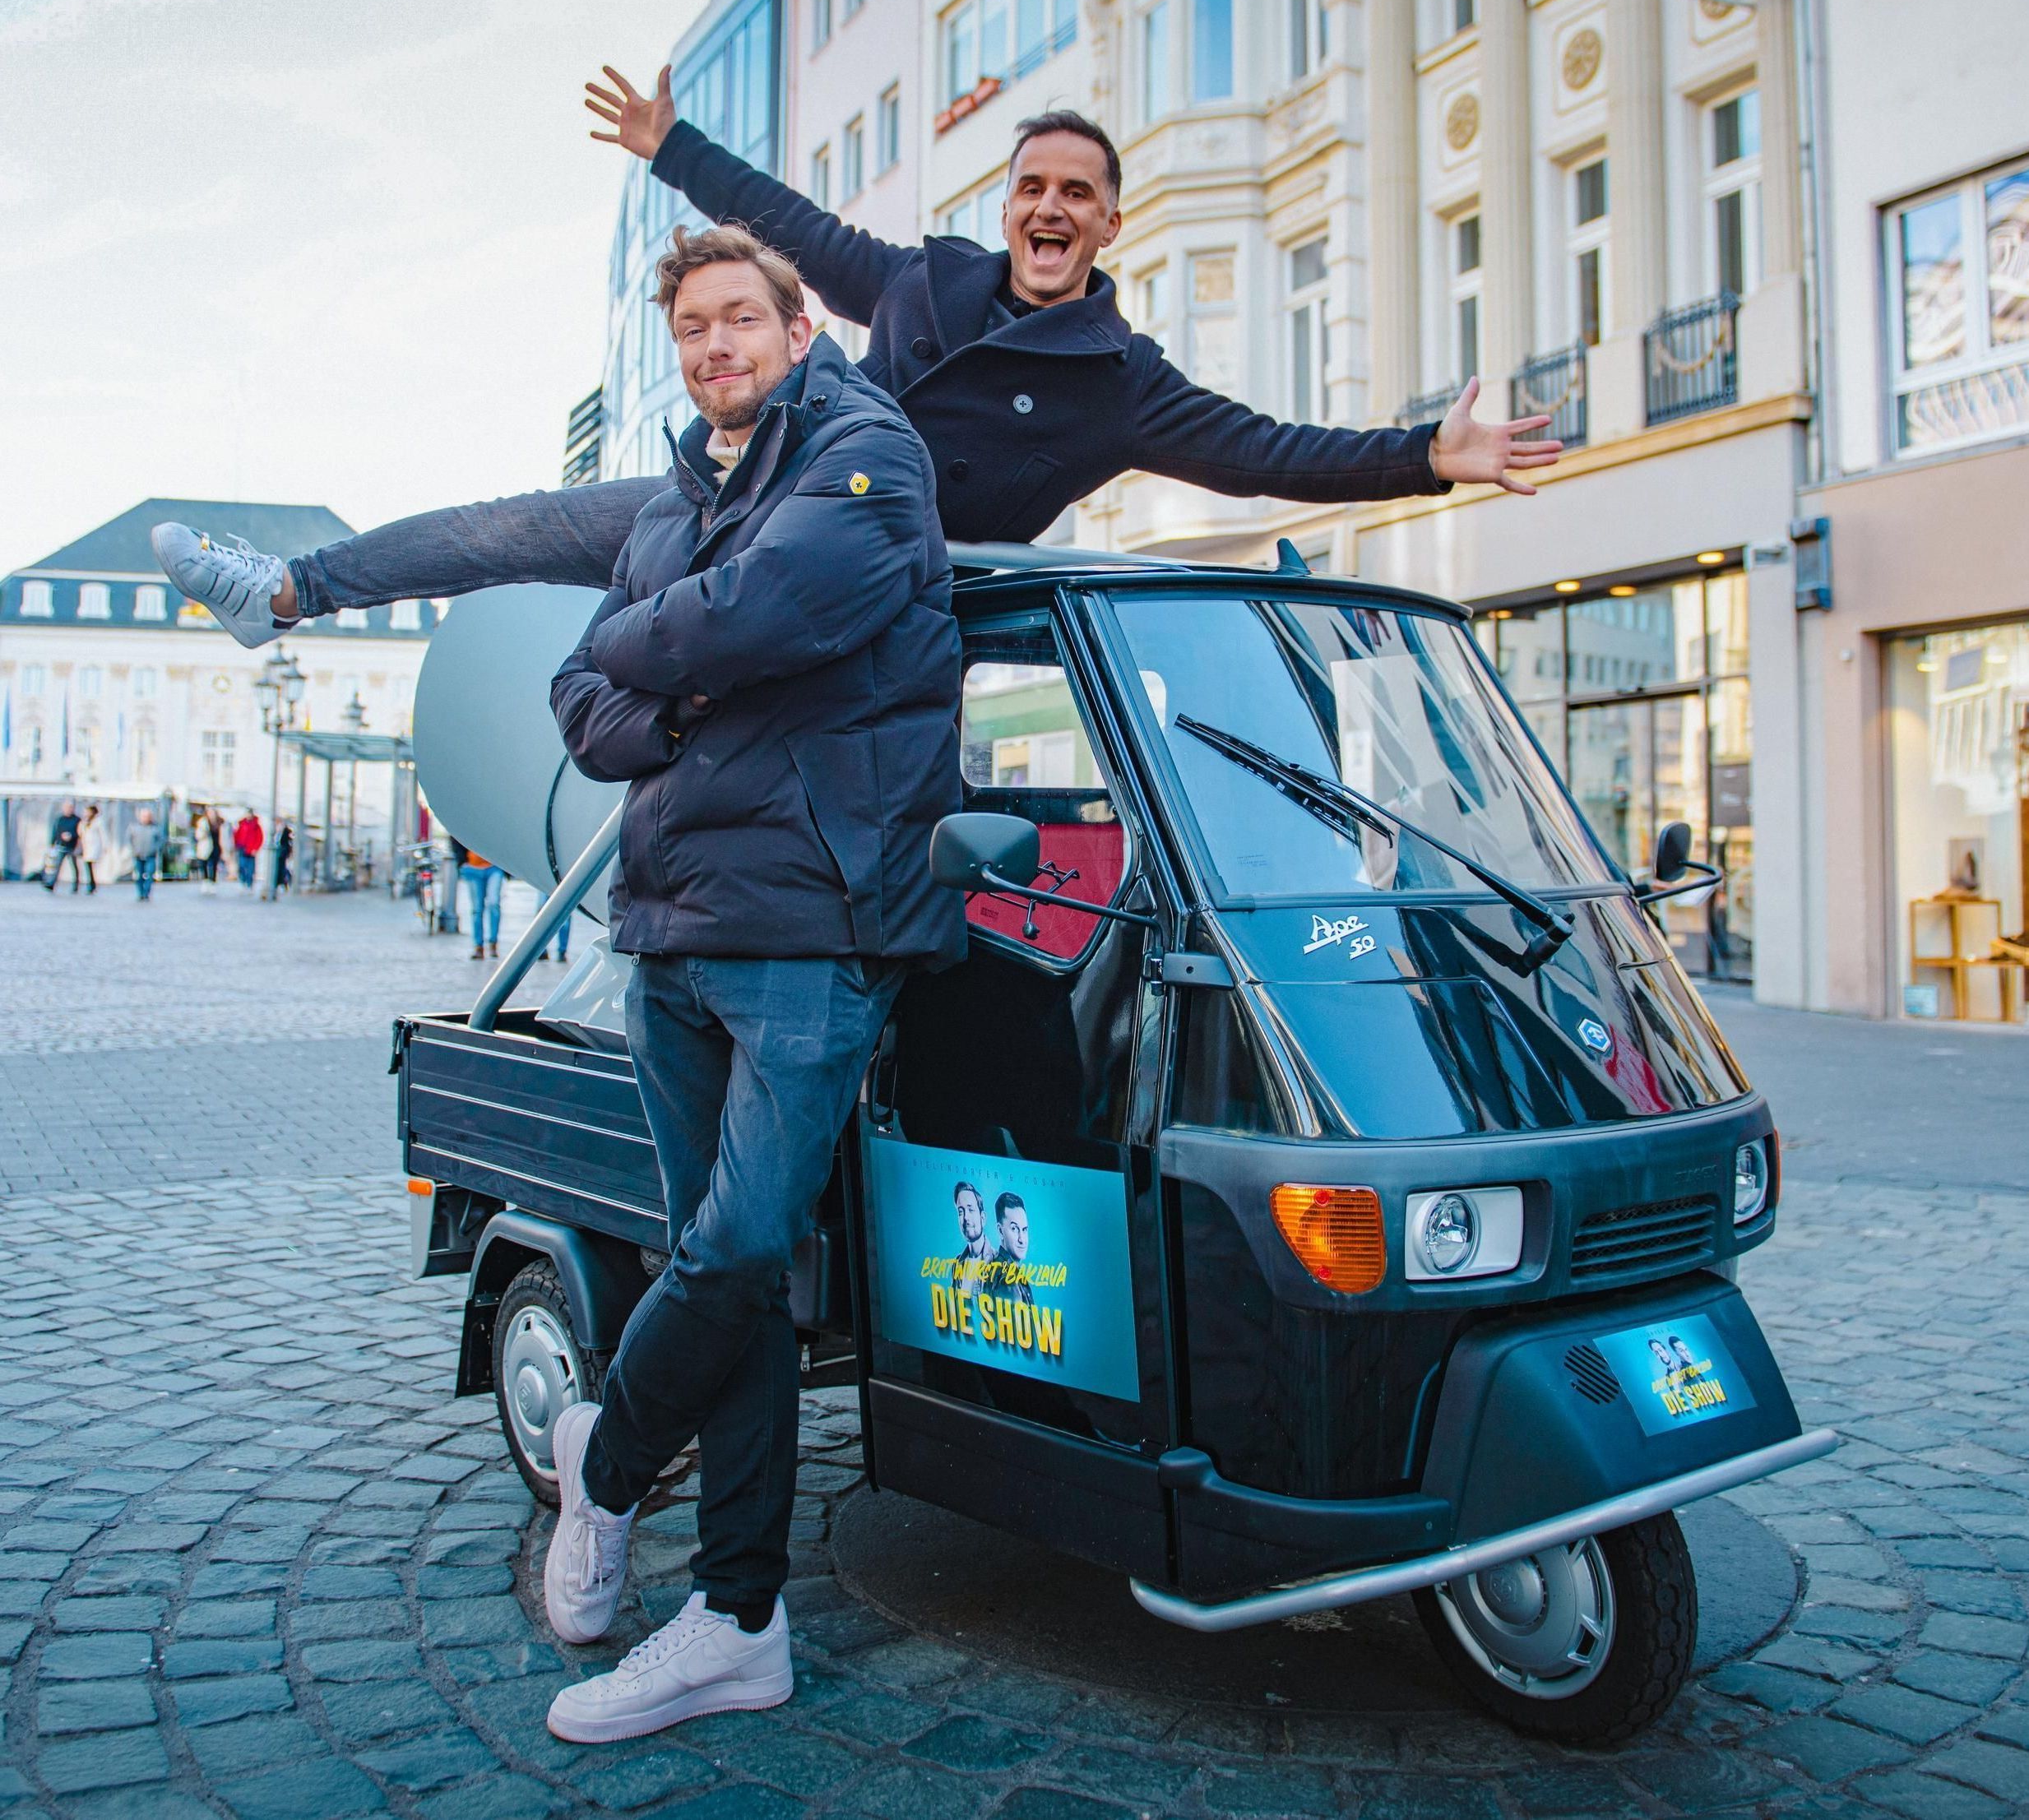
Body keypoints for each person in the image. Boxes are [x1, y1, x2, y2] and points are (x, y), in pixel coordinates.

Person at [150, 94, 1558, 646]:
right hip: (752, 501)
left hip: (890, 597)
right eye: (1032, 186)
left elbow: (1272, 453)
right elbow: (798, 230)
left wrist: (1429, 451)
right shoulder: (927, 283)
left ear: (1112, 221)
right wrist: (671, 148)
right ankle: (284, 589)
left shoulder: (1118, 380)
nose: (1051, 207)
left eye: (1079, 190)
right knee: (525, 524)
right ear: (1010, 204)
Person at [535, 220, 962, 1746]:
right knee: (739, 1290)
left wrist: (673, 658)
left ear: (795, 329)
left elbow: (772, 611)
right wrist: (680, 690)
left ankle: (601, 1455)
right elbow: (580, 702)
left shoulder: (866, 452)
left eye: (740, 321)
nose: (715, 348)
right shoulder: (673, 501)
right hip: (670, 927)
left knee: (738, 1245)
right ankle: (738, 1620)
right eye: (692, 331)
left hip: (814, 930)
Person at [991, 1192, 1035, 1310]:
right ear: (1001, 1231)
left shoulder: (1007, 1270)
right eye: (1015, 1229)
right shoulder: (1007, 1279)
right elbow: (1018, 1328)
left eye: (1024, 1230)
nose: (1022, 1239)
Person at [952, 1181, 992, 1303]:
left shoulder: (999, 1264)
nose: (966, 1218)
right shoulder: (958, 1264)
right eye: (961, 1212)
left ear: (983, 1218)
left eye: (971, 1210)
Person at [461, 849, 504, 960]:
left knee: (494, 903)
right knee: (477, 909)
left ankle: (493, 943)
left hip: (494, 867)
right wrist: (461, 860)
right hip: (472, 867)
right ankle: (478, 946)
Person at [44, 799, 81, 893]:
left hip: (72, 847)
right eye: (67, 807)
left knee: (74, 867)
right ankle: (51, 883)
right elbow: (56, 831)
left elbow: (80, 833)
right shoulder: (60, 819)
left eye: (71, 807)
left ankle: (75, 885)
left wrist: (72, 836)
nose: (69, 809)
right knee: (57, 866)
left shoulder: (76, 820)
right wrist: (52, 843)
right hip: (61, 846)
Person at [128, 807, 163, 902]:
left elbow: (160, 840)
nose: (146, 818)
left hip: (150, 855)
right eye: (144, 816)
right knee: (139, 875)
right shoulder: (134, 827)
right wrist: (133, 850)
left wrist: (155, 849)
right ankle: (140, 893)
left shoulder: (155, 827)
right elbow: (130, 839)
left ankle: (146, 893)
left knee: (150, 874)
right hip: (138, 855)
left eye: (148, 816)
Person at [76, 804, 106, 894]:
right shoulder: (84, 822)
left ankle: (92, 885)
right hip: (86, 846)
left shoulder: (98, 821)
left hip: (95, 846)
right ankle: (91, 884)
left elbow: (103, 834)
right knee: (88, 865)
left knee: (92, 865)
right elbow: (80, 832)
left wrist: (105, 846)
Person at [192, 808, 222, 895]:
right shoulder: (203, 822)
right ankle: (205, 882)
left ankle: (213, 882)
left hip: (216, 846)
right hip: (205, 846)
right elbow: (198, 835)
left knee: (214, 865)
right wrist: (203, 833)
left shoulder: (219, 822)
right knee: (204, 864)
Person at [233, 810, 264, 892]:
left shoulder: (256, 826)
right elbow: (237, 834)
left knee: (250, 868)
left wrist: (255, 849)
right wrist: (236, 844)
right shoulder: (241, 824)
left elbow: (259, 838)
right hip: (242, 848)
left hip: (251, 849)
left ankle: (249, 884)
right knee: (241, 866)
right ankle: (243, 882)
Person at [273, 820, 294, 895]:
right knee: (282, 868)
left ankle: (284, 882)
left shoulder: (285, 832)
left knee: (282, 869)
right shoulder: (282, 832)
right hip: (282, 854)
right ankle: (283, 883)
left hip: (283, 854)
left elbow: (286, 843)